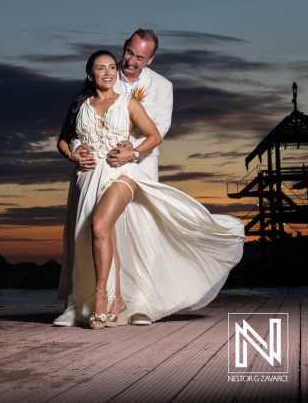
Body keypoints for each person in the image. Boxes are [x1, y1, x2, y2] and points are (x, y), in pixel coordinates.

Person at [54, 50, 243, 329]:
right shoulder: (79, 104)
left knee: (99, 225)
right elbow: (63, 139)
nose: (107, 73)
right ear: (89, 74)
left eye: (110, 68)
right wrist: (73, 155)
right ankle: (111, 301)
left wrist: (133, 153)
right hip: (88, 177)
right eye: (100, 68)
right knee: (97, 235)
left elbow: (154, 136)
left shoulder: (128, 103)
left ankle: (100, 299)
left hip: (122, 173)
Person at [55, 29, 172, 326]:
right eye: (129, 53)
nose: (131, 61)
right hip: (95, 170)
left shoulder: (161, 86)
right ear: (124, 47)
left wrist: (130, 152)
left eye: (140, 57)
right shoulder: (103, 77)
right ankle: (83, 303)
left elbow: (157, 131)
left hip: (136, 166)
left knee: (140, 235)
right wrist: (78, 150)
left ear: (151, 59)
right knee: (94, 231)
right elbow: (77, 132)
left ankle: (142, 303)